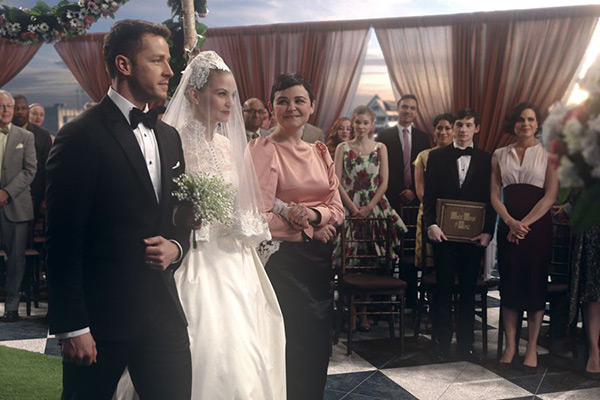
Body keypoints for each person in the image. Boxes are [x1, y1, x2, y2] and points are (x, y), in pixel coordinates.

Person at [122, 50, 285, 399]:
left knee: (247, 350)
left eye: (232, 95)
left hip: (234, 260)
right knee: (201, 342)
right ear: (195, 95)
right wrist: (186, 219)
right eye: (221, 93)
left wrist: (245, 225)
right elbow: (159, 206)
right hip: (193, 256)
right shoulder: (172, 141)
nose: (230, 103)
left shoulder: (227, 145)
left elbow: (239, 203)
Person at [45, 20, 192, 399]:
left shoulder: (169, 137)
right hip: (100, 322)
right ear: (124, 65)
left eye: (168, 60)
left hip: (164, 317)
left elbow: (180, 217)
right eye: (157, 60)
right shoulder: (79, 136)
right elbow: (61, 240)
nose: (169, 71)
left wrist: (176, 247)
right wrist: (73, 327)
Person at [248, 73, 344, 400]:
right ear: (271, 107)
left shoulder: (319, 151)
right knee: (291, 346)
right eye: (283, 101)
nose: (291, 107)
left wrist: (315, 217)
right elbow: (256, 216)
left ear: (312, 106)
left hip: (318, 263)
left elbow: (337, 209)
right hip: (282, 264)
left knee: (317, 347)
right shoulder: (262, 149)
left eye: (299, 100)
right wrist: (309, 229)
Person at [424, 108, 496, 362]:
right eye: (459, 125)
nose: (463, 129)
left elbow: (492, 199)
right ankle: (441, 343)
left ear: (477, 128)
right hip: (442, 235)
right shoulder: (436, 157)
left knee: (468, 291)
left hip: (473, 238)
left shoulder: (487, 159)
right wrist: (431, 225)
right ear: (453, 127)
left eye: (468, 125)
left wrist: (488, 231)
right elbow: (429, 197)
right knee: (443, 290)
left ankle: (466, 343)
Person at [492, 103, 558, 371]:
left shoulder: (550, 154)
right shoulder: (499, 154)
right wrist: (510, 222)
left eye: (531, 119)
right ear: (514, 123)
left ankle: (531, 348)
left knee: (534, 284)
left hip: (537, 230)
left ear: (538, 123)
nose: (526, 124)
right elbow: (494, 196)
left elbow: (550, 196)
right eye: (520, 119)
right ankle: (510, 346)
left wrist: (523, 224)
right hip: (508, 228)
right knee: (509, 283)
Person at [333, 105, 407, 332]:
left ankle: (364, 312)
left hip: (374, 207)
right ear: (353, 123)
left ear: (372, 125)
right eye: (357, 122)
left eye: (365, 123)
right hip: (350, 206)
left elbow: (384, 182)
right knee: (350, 261)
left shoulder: (380, 148)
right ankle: (351, 313)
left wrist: (368, 207)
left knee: (372, 262)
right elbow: (336, 181)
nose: (361, 126)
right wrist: (352, 207)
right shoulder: (343, 148)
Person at [0, 90, 37, 323]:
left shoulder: (26, 137)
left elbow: (30, 170)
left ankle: (11, 307)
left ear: (13, 110)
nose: (5, 110)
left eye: (8, 106)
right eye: (1, 106)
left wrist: (6, 192)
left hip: (16, 207)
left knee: (15, 260)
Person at [376, 94, 431, 211]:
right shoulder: (383, 136)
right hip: (391, 196)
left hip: (417, 196)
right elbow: (380, 167)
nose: (408, 111)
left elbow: (426, 169)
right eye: (404, 107)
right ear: (398, 108)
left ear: (416, 112)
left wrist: (413, 191)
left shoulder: (424, 138)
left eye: (412, 108)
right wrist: (400, 190)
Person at [413, 113, 455, 268]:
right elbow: (420, 188)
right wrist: (434, 210)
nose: (443, 132)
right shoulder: (423, 156)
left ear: (454, 130)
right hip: (429, 209)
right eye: (439, 128)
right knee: (430, 258)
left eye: (447, 128)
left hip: (453, 210)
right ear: (434, 131)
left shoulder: (459, 155)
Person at [12, 95, 53, 224]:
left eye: (23, 108)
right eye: (16, 108)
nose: (20, 112)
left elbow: (48, 168)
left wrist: (45, 197)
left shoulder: (43, 135)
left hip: (34, 192)